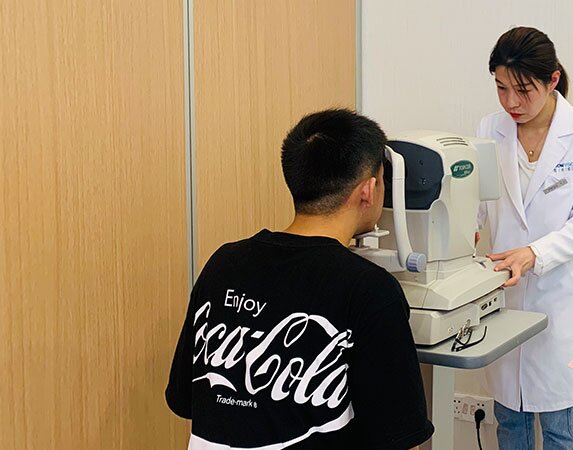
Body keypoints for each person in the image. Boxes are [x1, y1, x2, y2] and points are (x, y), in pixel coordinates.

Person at [165, 109, 434, 450]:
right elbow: (400, 439)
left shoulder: (223, 263)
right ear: (369, 190)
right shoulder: (370, 289)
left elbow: (184, 400)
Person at [476, 27, 573, 450]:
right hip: (505, 296)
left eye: (523, 90)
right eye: (501, 88)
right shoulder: (489, 129)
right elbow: (479, 203)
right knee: (509, 423)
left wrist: (535, 253)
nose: (511, 102)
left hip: (558, 301)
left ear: (552, 80)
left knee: (558, 431)